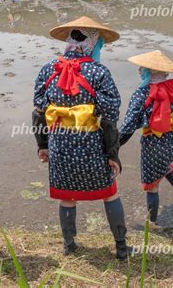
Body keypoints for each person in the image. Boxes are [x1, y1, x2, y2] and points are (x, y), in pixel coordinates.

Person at [33, 16, 133, 260]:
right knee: (110, 193)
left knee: (67, 197)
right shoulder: (99, 72)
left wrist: (42, 146)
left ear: (70, 40)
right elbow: (109, 119)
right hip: (91, 146)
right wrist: (113, 155)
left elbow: (38, 113)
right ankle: (121, 246)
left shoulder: (48, 70)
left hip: (60, 144)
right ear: (93, 43)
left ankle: (69, 245)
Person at [119, 50, 173, 229]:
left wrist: (115, 145)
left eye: (141, 69)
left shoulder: (142, 93)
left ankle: (152, 222)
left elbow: (129, 124)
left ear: (148, 72)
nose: (139, 71)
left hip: (153, 144)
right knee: (165, 164)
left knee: (151, 185)